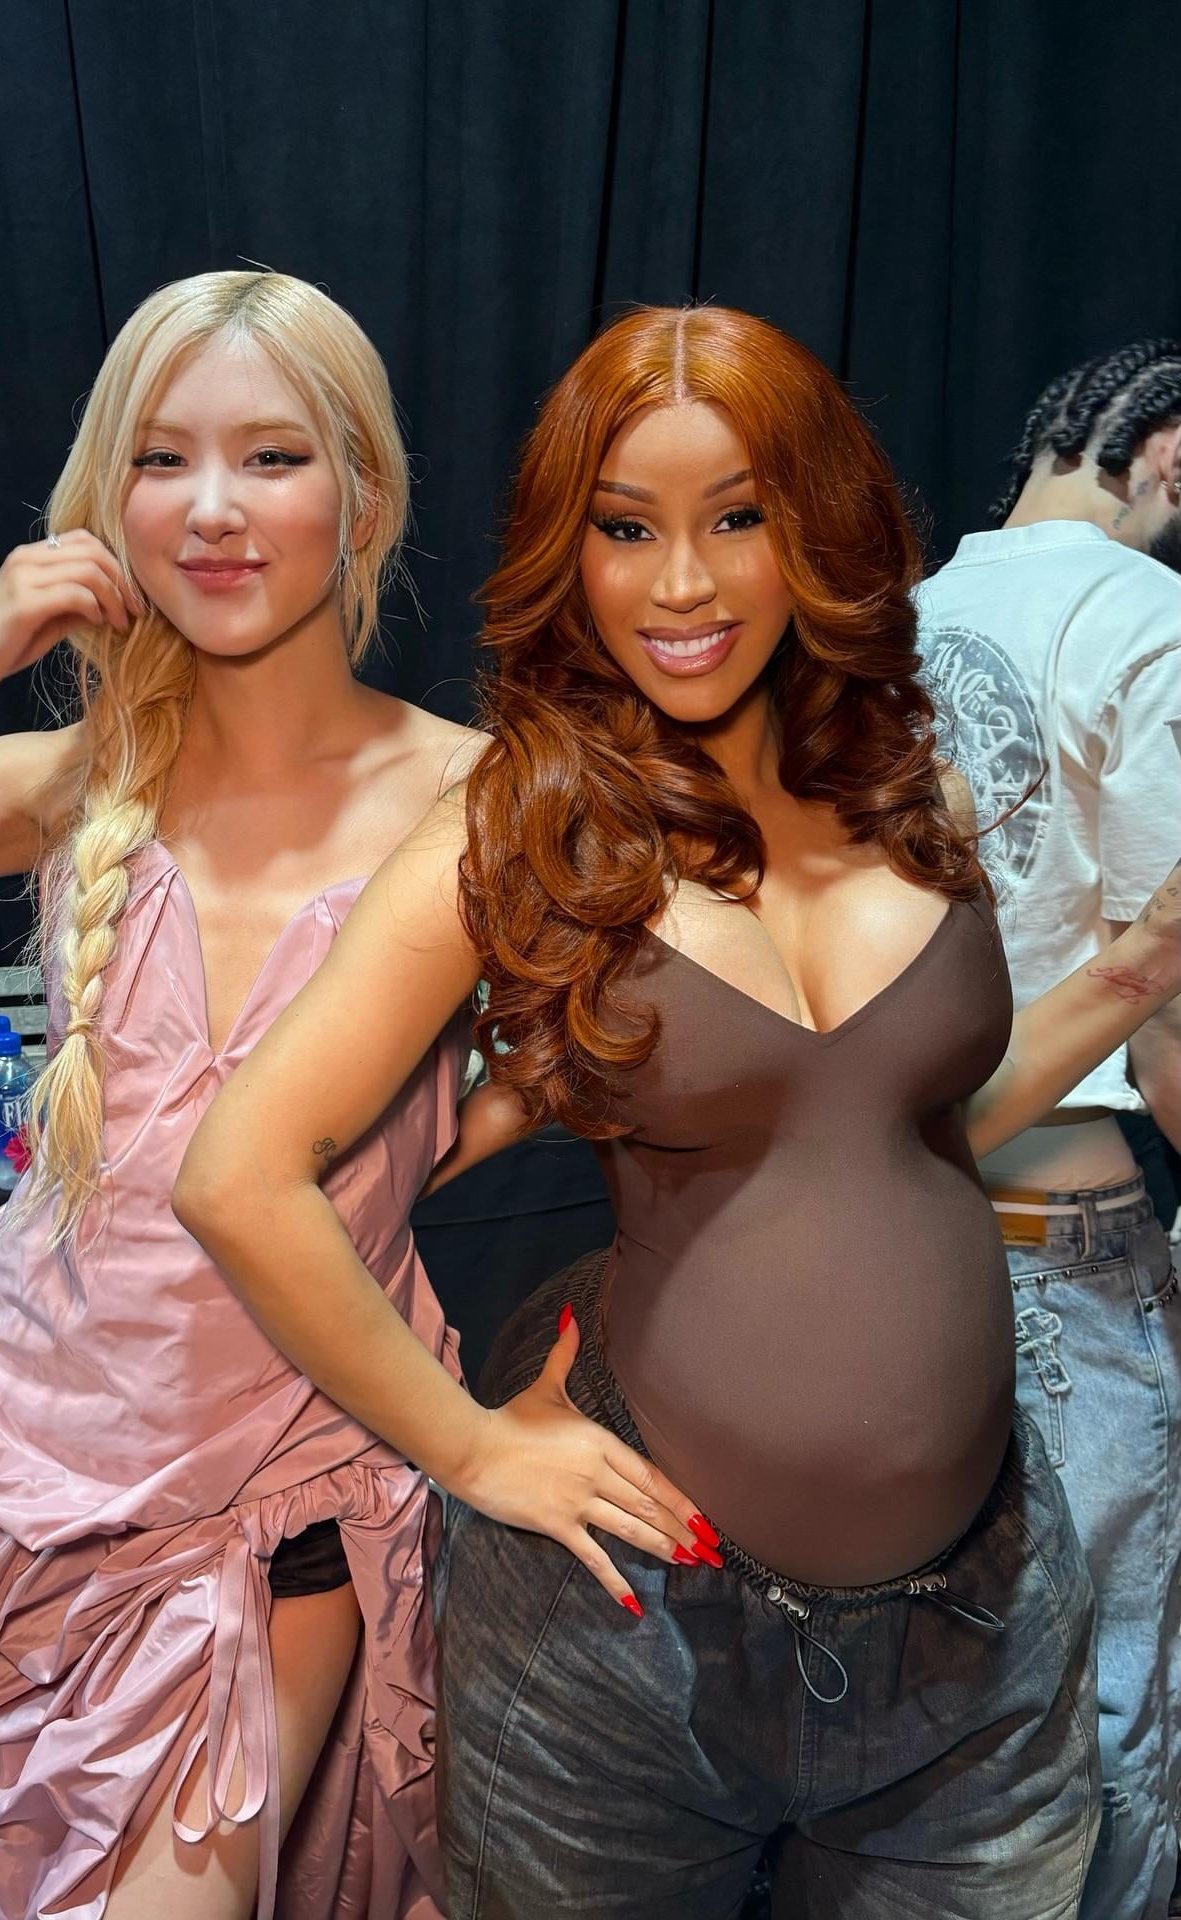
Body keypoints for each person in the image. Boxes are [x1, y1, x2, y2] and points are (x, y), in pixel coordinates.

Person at [172, 305, 1181, 1920]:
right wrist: (468, 1449)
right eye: (627, 528)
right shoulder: (521, 827)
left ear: (820, 528)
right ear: (568, 552)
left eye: (738, 518)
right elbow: (240, 1177)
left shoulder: (911, 785)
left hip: (979, 1627)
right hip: (629, 1640)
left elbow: (901, 1133)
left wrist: (1134, 974)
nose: (685, 585)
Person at [0, 269, 481, 1920]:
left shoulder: (475, 793)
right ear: (107, 505)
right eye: (161, 459)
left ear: (365, 499)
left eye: (273, 457)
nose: (212, 508)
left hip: (266, 1512)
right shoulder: (73, 783)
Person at [917, 337, 1181, 1920]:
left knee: (928, 1721)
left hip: (895, 1239)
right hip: (1074, 1250)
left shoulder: (891, 625)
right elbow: (1170, 990)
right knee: (1112, 1708)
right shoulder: (1149, 619)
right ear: (1168, 452)